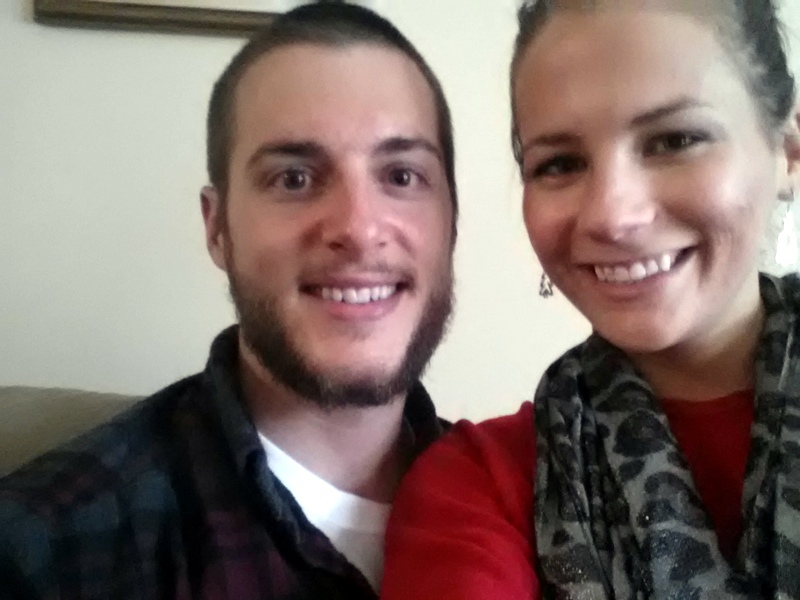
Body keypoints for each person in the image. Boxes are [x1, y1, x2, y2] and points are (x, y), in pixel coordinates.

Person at [0, 4, 457, 598]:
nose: (359, 227)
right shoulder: (40, 554)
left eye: (401, 176)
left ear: (452, 220)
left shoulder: (536, 503)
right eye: (294, 178)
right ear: (217, 229)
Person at [381, 0, 800, 598]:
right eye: (561, 164)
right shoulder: (481, 483)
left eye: (674, 140)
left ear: (787, 151)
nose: (612, 215)